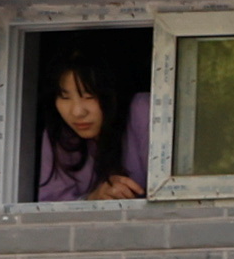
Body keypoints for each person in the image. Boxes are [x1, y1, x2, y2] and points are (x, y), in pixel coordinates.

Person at [30, 55, 147, 202]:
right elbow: (50, 208)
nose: (77, 112)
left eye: (90, 96)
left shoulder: (142, 110)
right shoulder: (60, 134)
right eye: (64, 97)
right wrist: (92, 200)